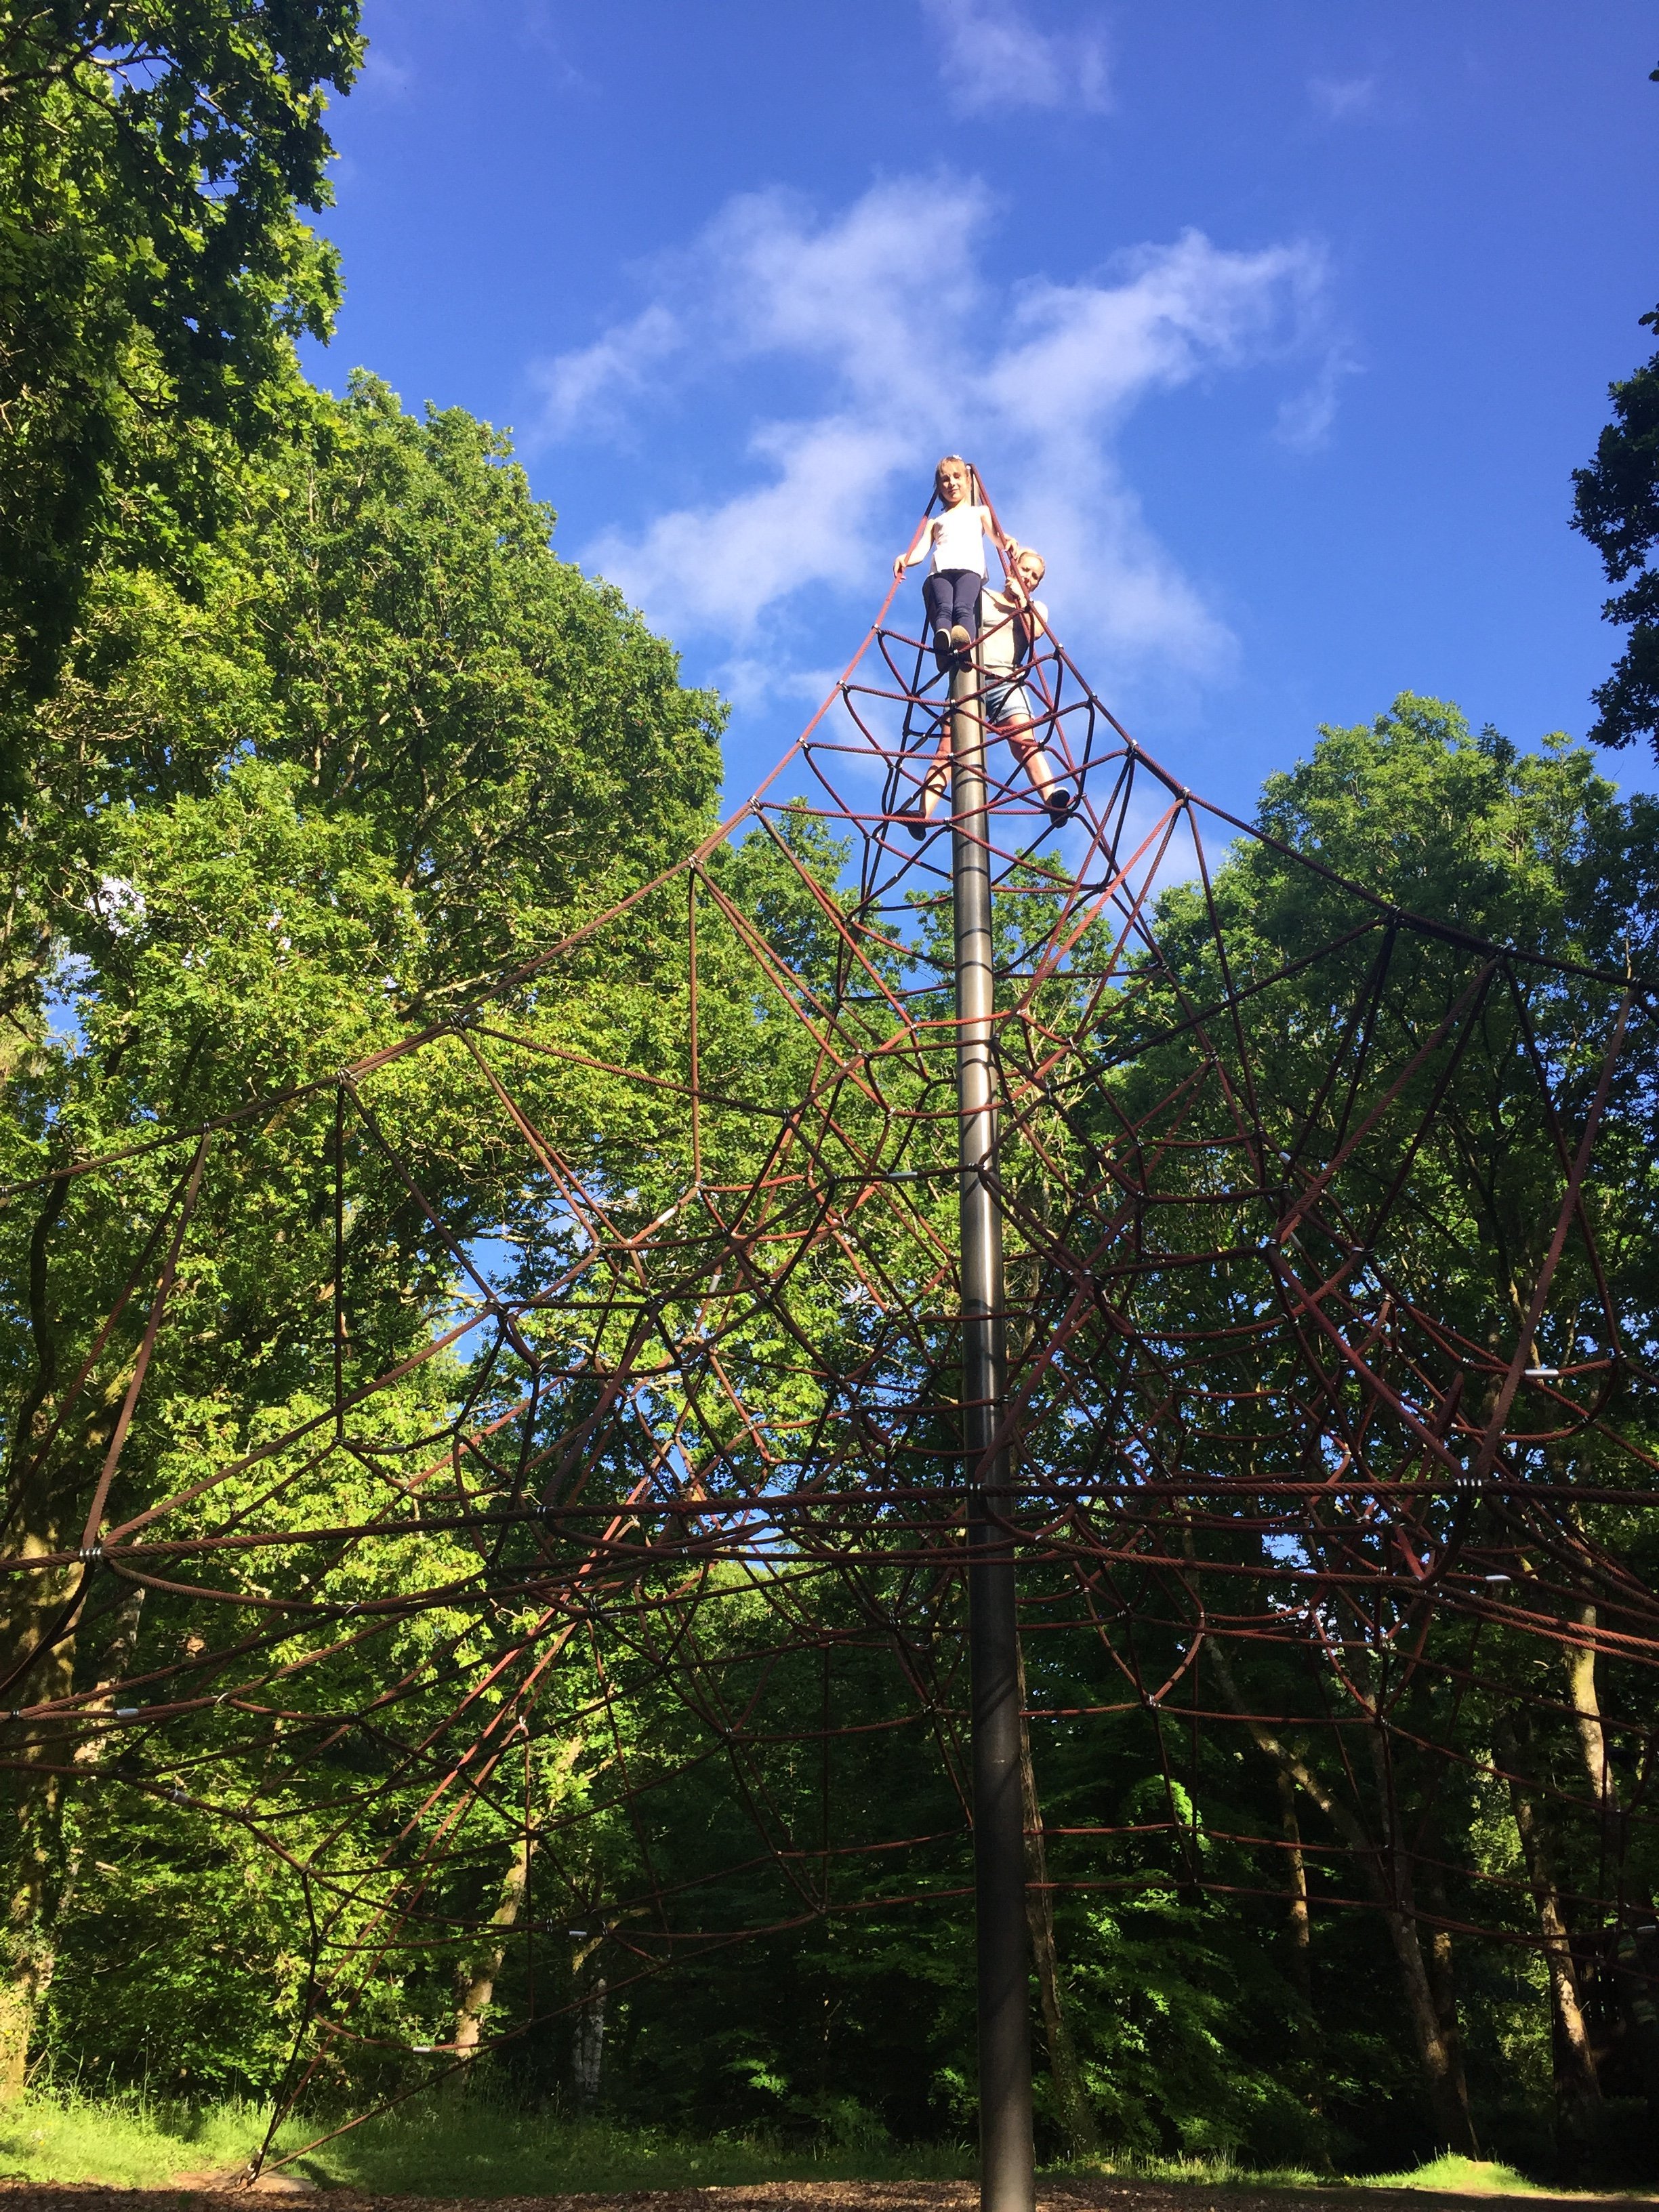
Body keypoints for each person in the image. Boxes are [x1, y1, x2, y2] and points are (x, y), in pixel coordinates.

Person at [901, 543, 1075, 834]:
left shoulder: (1035, 607)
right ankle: (922, 812)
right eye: (1024, 570)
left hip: (1004, 682)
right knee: (947, 750)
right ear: (1011, 567)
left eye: (1034, 576)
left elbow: (1033, 633)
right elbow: (942, 603)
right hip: (968, 679)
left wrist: (1021, 598)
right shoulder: (981, 597)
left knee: (1024, 742)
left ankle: (1052, 800)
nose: (1028, 578)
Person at [893, 455, 1006, 671]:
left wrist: (1007, 541)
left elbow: (996, 538)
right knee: (943, 609)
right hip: (941, 570)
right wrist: (904, 559)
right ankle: (943, 644)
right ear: (939, 487)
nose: (952, 483)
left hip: (969, 568)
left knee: (963, 608)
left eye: (957, 477)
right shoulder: (937, 522)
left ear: (968, 481)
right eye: (945, 480)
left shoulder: (979, 512)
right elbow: (921, 550)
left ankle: (964, 646)